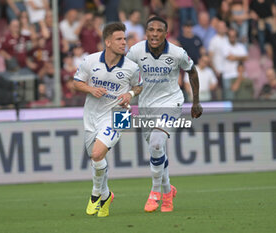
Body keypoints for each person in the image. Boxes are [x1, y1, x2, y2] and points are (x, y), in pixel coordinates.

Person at [126, 16, 202, 213]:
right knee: (156, 150)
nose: (154, 34)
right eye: (151, 30)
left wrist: (195, 101)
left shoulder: (177, 53)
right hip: (146, 105)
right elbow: (124, 73)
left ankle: (155, 192)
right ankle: (168, 190)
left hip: (171, 102)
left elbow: (192, 71)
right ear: (146, 32)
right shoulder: (136, 51)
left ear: (165, 34)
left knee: (157, 143)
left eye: (159, 30)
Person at [73, 22, 143, 217]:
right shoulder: (91, 61)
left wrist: (130, 93)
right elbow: (76, 82)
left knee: (96, 154)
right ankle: (106, 194)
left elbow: (139, 86)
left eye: (125, 39)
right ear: (108, 42)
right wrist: (91, 89)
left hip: (119, 115)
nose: (124, 43)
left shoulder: (131, 67)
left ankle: (96, 194)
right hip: (92, 115)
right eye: (119, 39)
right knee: (96, 157)